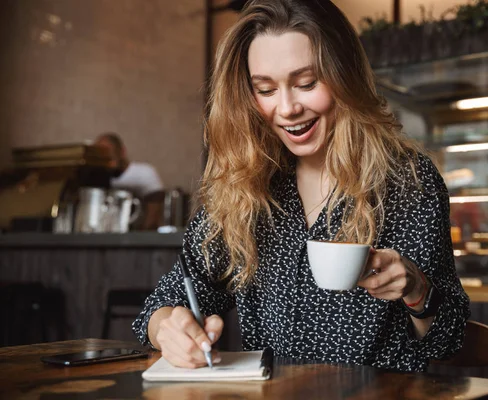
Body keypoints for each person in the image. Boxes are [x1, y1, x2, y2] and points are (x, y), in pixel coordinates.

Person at [133, 0, 470, 371]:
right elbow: (165, 302)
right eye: (265, 89)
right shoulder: (250, 186)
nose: (287, 107)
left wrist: (416, 290)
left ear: (345, 77)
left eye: (306, 83)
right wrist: (169, 328)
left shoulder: (407, 181)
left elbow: (449, 341)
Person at [94, 132, 164, 230]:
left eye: (110, 154)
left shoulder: (144, 174)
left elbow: (154, 215)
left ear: (122, 152)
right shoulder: (97, 177)